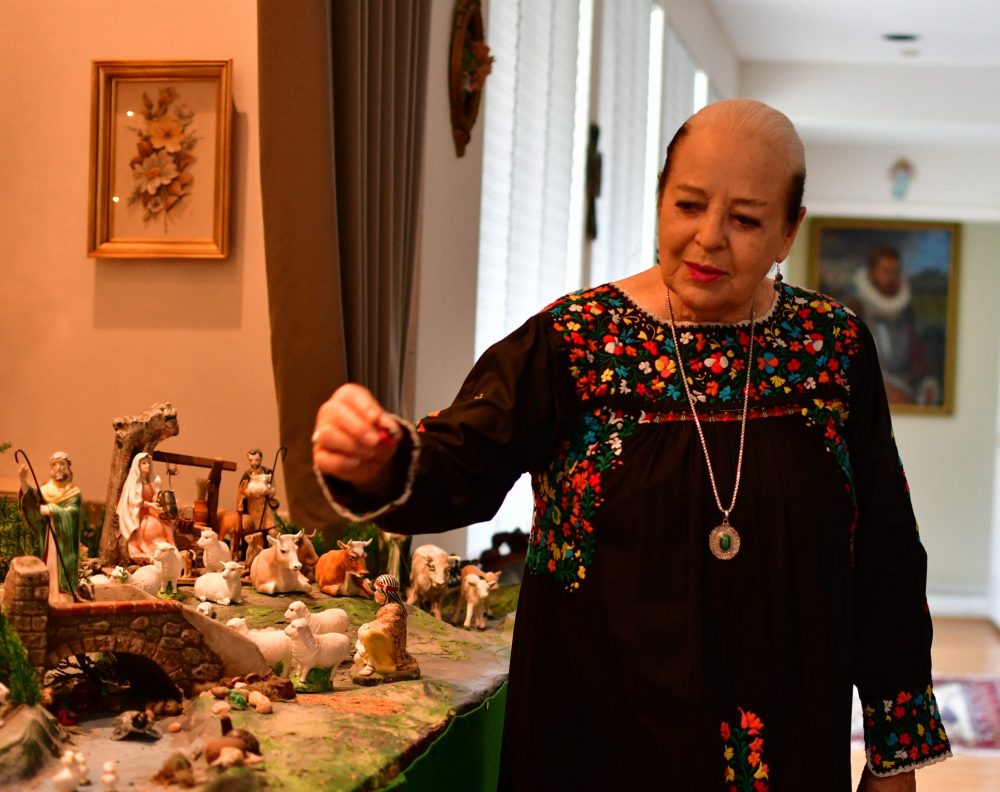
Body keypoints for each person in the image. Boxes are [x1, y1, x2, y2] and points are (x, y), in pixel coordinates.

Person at [311, 100, 950, 790]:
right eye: (688, 205)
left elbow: (885, 553)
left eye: (745, 219)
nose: (708, 238)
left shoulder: (835, 349)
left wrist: (896, 752)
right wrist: (381, 460)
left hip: (784, 746)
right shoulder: (572, 341)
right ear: (658, 200)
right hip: (598, 738)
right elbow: (460, 460)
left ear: (788, 231)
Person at [850, 246, 932, 405]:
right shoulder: (854, 310)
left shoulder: (908, 314)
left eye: (895, 271)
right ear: (872, 273)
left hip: (905, 389)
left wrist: (923, 381)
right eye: (886, 271)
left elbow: (919, 358)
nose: (891, 277)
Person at [18, 451, 83, 598]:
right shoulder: (46, 490)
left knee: (60, 569)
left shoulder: (74, 492)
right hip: (48, 537)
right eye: (54, 464)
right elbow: (34, 502)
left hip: (64, 540)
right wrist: (23, 481)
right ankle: (49, 594)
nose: (58, 468)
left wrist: (51, 509)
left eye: (62, 464)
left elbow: (72, 512)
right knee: (49, 566)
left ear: (68, 467)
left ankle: (64, 594)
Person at [116, 452, 175, 564]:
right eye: (143, 463)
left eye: (148, 462)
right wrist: (149, 505)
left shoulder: (150, 481)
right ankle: (145, 550)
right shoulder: (134, 484)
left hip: (151, 512)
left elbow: (155, 495)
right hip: (139, 514)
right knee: (140, 532)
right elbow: (134, 502)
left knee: (166, 524)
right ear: (137, 466)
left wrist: (159, 500)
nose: (147, 465)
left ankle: (172, 547)